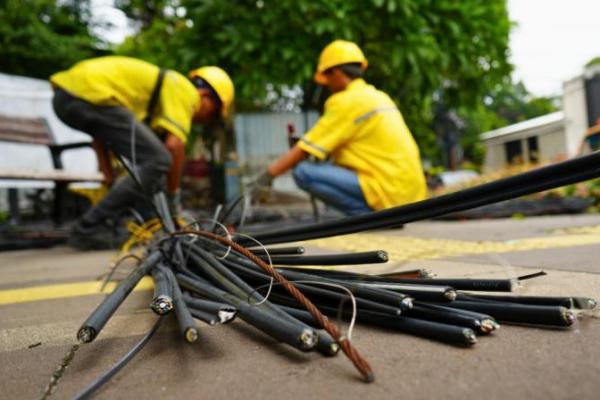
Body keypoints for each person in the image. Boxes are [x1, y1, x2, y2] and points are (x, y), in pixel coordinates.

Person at [51, 56, 234, 249]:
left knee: (150, 163)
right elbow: (174, 147)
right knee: (159, 160)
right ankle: (88, 228)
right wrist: (173, 198)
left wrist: (108, 172)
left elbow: (99, 134)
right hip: (84, 94)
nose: (205, 120)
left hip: (66, 97)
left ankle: (149, 223)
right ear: (205, 96)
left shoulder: (155, 101)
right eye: (213, 113)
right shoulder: (185, 91)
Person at [255, 40, 426, 215]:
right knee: (328, 166)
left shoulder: (345, 101)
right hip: (411, 193)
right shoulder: (379, 96)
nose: (327, 85)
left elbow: (305, 149)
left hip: (386, 189)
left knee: (303, 172)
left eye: (327, 79)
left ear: (336, 72)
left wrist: (267, 176)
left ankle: (370, 216)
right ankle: (381, 214)